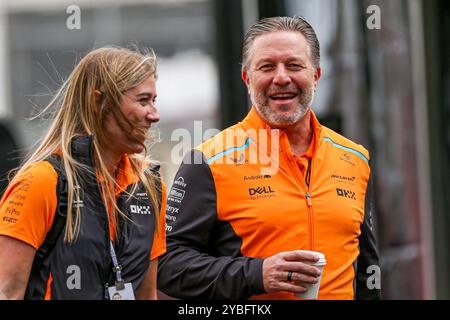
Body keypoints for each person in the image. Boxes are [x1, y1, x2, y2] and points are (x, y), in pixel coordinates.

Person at [157, 16, 381, 300]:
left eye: (294, 65)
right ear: (247, 79)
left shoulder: (354, 159)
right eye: (266, 67)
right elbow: (168, 265)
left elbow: (367, 272)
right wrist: (256, 274)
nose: (281, 77)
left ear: (316, 75)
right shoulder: (208, 162)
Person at [0, 47, 166, 300]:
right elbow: (7, 292)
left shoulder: (148, 185)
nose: (154, 115)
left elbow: (147, 295)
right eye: (143, 100)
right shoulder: (42, 181)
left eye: (154, 101)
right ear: (98, 102)